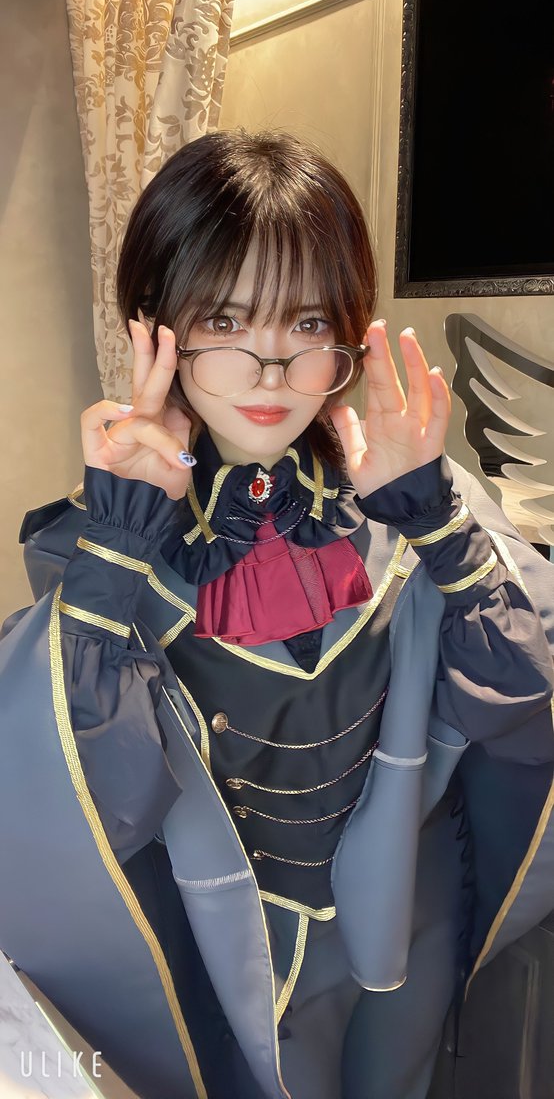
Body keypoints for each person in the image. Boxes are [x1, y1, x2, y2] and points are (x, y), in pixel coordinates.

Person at [1, 129, 553, 1099]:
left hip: (411, 917)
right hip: (232, 953)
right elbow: (86, 804)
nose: (269, 367)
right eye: (225, 319)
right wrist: (118, 546)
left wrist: (433, 518)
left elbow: (527, 712)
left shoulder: (409, 497)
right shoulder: (119, 545)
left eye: (304, 322)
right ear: (155, 325)